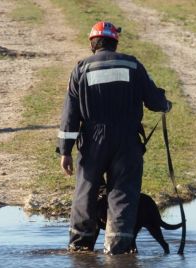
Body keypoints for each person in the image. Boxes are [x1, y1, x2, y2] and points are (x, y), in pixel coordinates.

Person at [57, 21, 171, 255]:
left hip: (92, 142)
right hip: (127, 142)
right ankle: (118, 250)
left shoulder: (81, 69)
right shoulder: (133, 65)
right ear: (115, 42)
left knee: (86, 193)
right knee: (123, 193)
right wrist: (165, 103)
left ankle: (80, 247)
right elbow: (155, 101)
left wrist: (65, 151)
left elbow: (70, 115)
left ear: (92, 43)